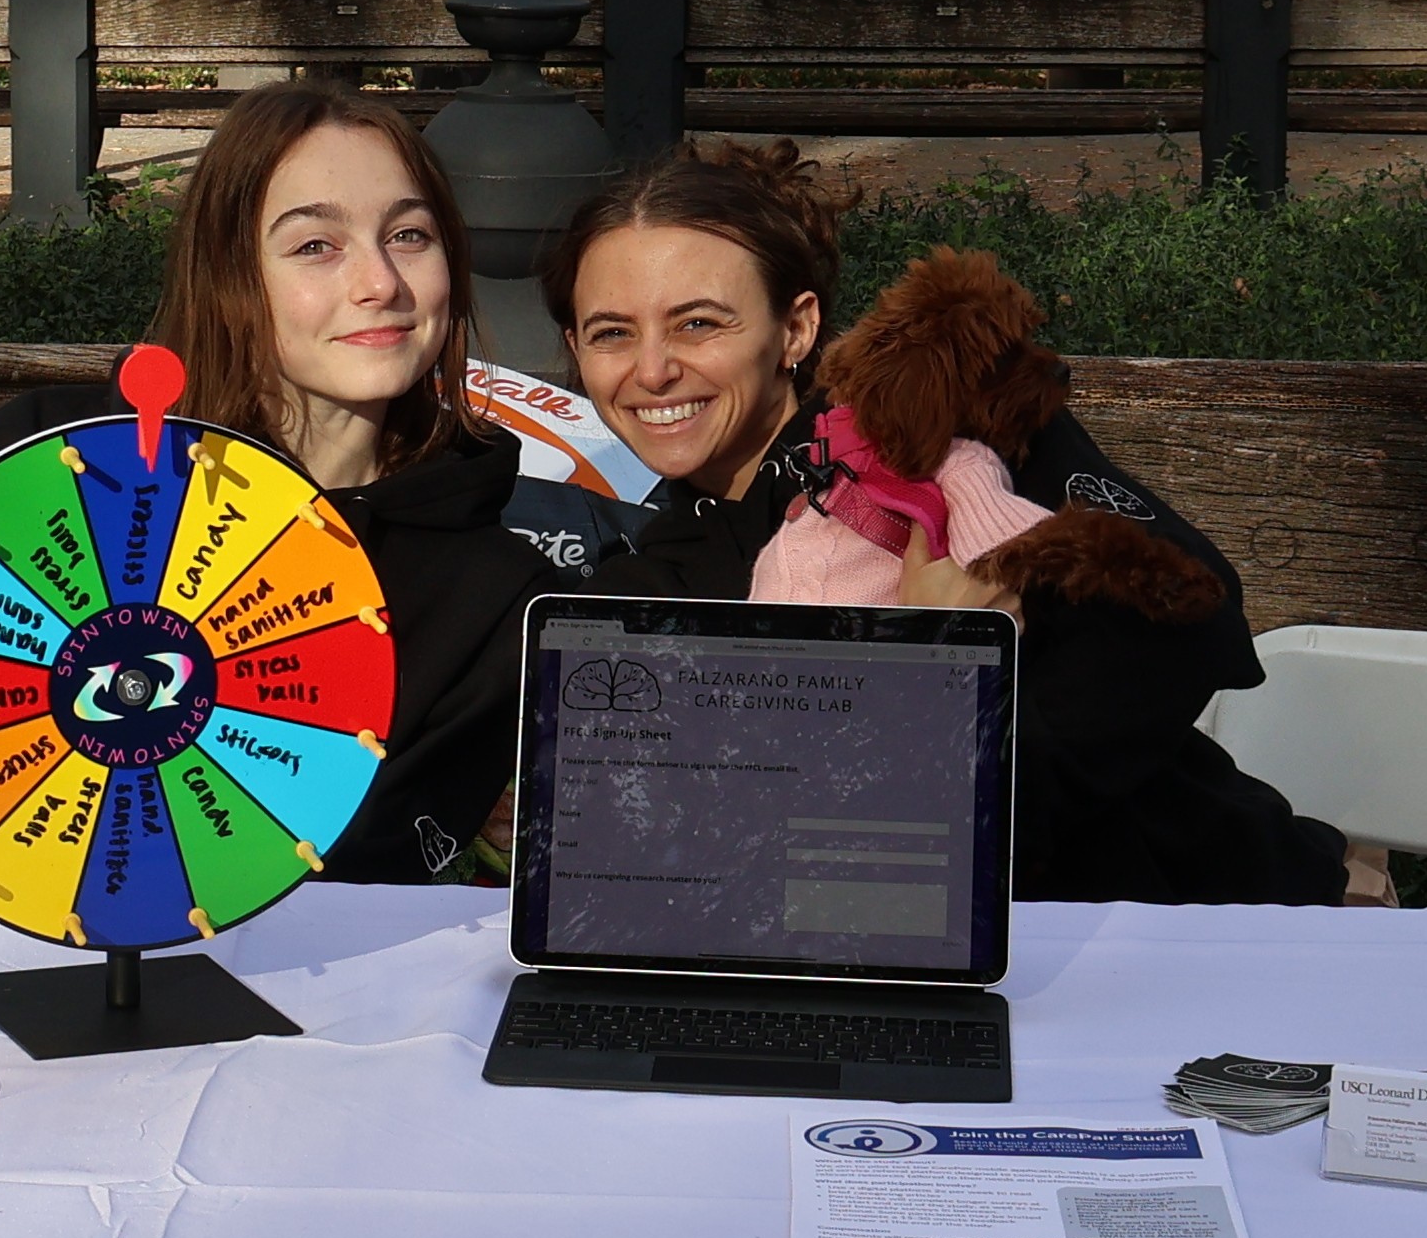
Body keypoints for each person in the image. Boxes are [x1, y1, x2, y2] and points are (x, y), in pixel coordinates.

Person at [0, 86, 605, 893]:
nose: (381, 282)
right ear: (228, 274)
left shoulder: (492, 590)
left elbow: (363, 872)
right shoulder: (63, 466)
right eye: (315, 246)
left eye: (409, 235)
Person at [559, 141, 1360, 906]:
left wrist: (965, 785)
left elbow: (1190, 617)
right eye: (612, 333)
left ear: (795, 328)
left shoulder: (933, 429)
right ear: (576, 350)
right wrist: (933, 671)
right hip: (906, 946)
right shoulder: (650, 582)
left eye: (699, 323)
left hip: (1187, 910)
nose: (653, 370)